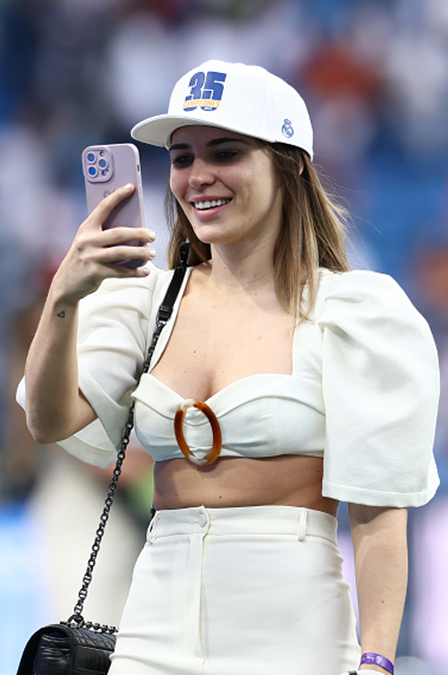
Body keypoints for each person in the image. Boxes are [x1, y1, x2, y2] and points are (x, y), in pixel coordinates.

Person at [17, 60, 440, 675]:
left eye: (225, 152)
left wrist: (376, 661)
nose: (198, 177)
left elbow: (377, 517)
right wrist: (65, 297)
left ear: (291, 164)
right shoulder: (144, 301)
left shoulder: (353, 311)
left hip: (296, 633)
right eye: (183, 158)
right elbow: (50, 422)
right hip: (151, 627)